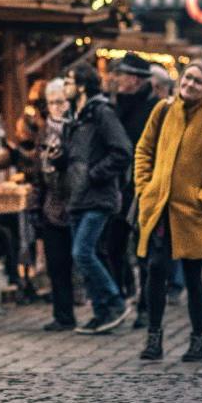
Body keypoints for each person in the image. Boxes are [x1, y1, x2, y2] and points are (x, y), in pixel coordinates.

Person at [134, 59, 202, 362]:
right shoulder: (164, 109)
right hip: (160, 206)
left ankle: (198, 339)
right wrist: (144, 187)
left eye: (198, 82)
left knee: (192, 276)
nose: (190, 85)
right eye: (188, 78)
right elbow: (144, 149)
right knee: (155, 269)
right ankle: (154, 338)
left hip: (193, 210)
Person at [54, 62, 132, 333]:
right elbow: (75, 156)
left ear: (82, 86)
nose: (66, 86)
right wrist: (59, 159)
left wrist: (96, 174)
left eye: (69, 81)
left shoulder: (101, 112)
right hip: (77, 196)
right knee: (86, 254)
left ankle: (115, 301)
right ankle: (102, 313)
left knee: (82, 251)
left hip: (98, 195)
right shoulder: (75, 117)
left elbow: (122, 151)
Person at [107, 52, 159, 308]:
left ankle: (146, 306)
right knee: (113, 246)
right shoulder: (115, 107)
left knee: (144, 250)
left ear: (137, 80)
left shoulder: (155, 109)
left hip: (144, 188)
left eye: (122, 75)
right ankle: (120, 296)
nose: (118, 80)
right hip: (117, 188)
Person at [32, 78, 76, 331]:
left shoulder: (75, 129)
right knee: (56, 262)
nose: (56, 107)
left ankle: (103, 305)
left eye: (60, 102)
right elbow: (37, 168)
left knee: (79, 258)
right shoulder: (43, 131)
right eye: (51, 103)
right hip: (50, 204)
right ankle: (63, 314)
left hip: (74, 202)